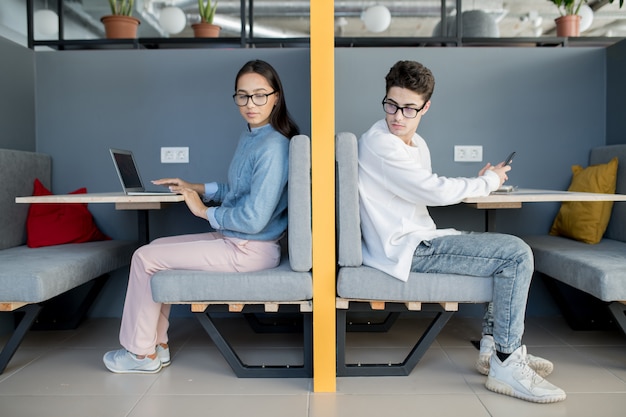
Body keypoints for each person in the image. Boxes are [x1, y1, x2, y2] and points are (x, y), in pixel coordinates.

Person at [357, 60, 566, 403]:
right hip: (407, 248)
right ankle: (506, 361)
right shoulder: (381, 143)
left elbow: (424, 188)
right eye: (391, 104)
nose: (397, 116)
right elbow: (434, 191)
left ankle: (492, 348)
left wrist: (481, 182)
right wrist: (488, 181)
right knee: (515, 254)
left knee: (506, 253)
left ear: (426, 107)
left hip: (422, 239)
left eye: (409, 108)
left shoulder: (415, 144)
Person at [103, 59, 299, 374]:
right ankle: (157, 345)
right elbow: (237, 190)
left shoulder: (273, 147)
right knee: (155, 249)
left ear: (276, 97)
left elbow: (254, 219)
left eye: (260, 95)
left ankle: (140, 355)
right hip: (238, 241)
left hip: (249, 249)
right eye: (243, 96)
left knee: (143, 257)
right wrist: (193, 186)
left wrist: (203, 210)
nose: (251, 104)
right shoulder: (252, 136)